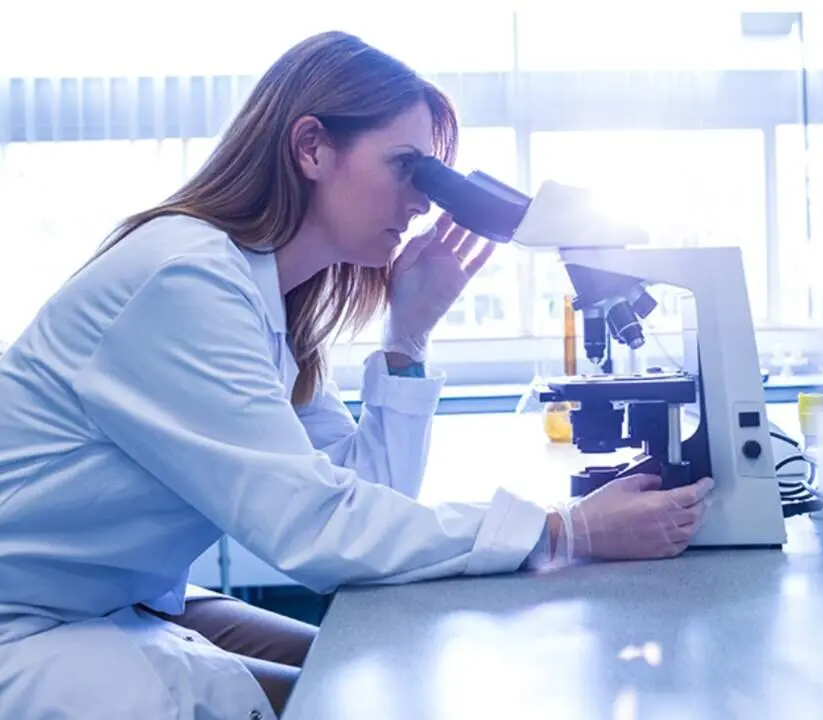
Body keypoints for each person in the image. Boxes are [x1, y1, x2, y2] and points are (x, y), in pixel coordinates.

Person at [0, 30, 714, 720]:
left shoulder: (264, 299)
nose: (426, 202)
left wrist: (407, 337)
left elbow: (366, 499)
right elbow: (318, 533)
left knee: (366, 660)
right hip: (28, 624)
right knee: (356, 699)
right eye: (408, 168)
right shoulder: (186, 281)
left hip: (109, 600)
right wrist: (567, 531)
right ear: (311, 147)